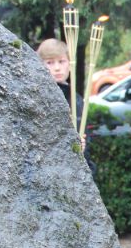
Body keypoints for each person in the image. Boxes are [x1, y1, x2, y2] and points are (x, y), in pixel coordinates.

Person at [38, 38, 94, 174]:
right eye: (50, 62)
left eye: (61, 61)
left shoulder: (76, 99)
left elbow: (86, 135)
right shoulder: (38, 97)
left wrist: (83, 147)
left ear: (69, 63)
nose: (57, 68)